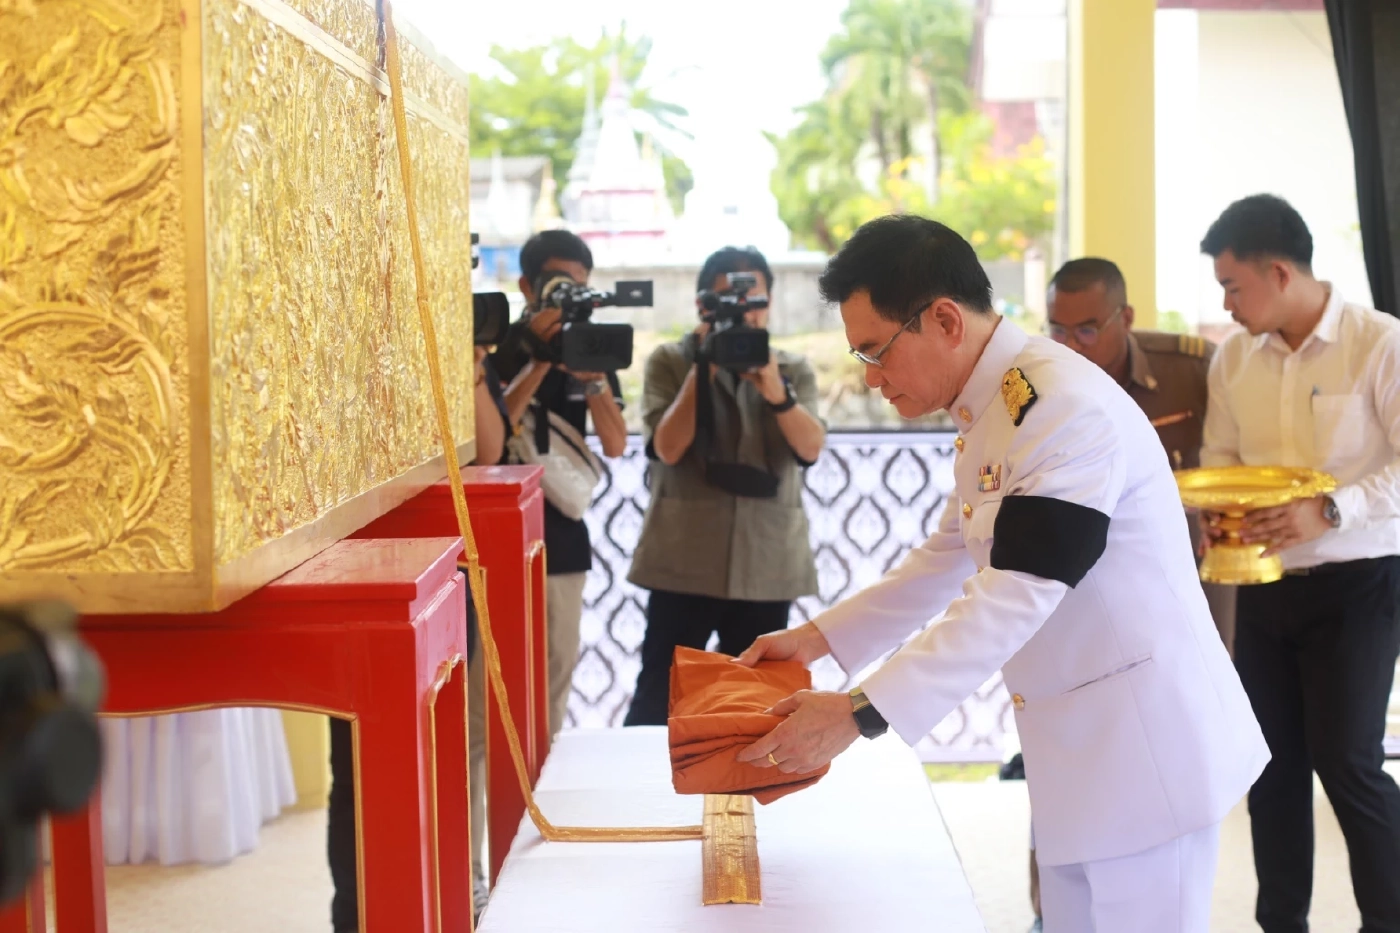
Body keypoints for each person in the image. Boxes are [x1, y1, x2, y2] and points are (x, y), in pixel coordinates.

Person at [732, 215, 1269, 933]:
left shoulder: (1061, 410)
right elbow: (949, 553)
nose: (871, 376)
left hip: (1145, 757)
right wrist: (818, 639)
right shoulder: (998, 405)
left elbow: (1016, 593)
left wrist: (860, 712)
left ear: (945, 319)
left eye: (875, 351)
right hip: (1083, 756)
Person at [1198, 194, 1400, 933]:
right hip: (1264, 585)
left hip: (1360, 582)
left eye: (1232, 286)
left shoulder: (1380, 343)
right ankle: (1281, 924)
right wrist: (1220, 511)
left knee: (1348, 762)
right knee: (1271, 769)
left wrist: (1331, 506)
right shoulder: (1232, 358)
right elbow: (1219, 458)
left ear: (1279, 272)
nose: (1225, 301)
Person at [1018, 257, 1234, 931]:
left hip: (1172, 610)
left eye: (1087, 328)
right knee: (1061, 786)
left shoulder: (1188, 370)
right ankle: (1050, 912)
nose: (1069, 343)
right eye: (1057, 326)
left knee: (1162, 800)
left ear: (1125, 319)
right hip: (1071, 619)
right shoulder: (1032, 389)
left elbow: (1228, 466)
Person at [327, 343, 510, 932]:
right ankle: (358, 919)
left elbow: (490, 449)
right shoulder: (330, 349)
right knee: (357, 771)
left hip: (444, 567)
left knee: (449, 751)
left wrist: (474, 363)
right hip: (356, 569)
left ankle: (450, 901)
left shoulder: (445, 338)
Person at [622, 246, 826, 726]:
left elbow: (812, 448)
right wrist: (703, 368)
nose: (744, 314)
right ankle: (644, 796)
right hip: (683, 560)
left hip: (765, 561)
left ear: (769, 304)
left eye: (753, 302)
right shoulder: (671, 362)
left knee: (751, 701)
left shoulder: (791, 368)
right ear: (702, 307)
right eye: (729, 305)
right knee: (659, 694)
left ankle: (739, 800)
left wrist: (775, 391)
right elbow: (667, 448)